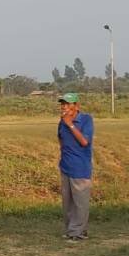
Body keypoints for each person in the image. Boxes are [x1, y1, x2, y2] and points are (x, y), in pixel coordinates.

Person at [57, 92, 94, 242]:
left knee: (80, 202)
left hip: (80, 167)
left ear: (76, 106)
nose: (64, 107)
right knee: (68, 202)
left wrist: (70, 124)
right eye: (62, 104)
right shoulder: (61, 122)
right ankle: (72, 230)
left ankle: (77, 233)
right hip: (66, 166)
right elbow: (60, 140)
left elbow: (85, 141)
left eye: (67, 104)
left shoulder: (85, 120)